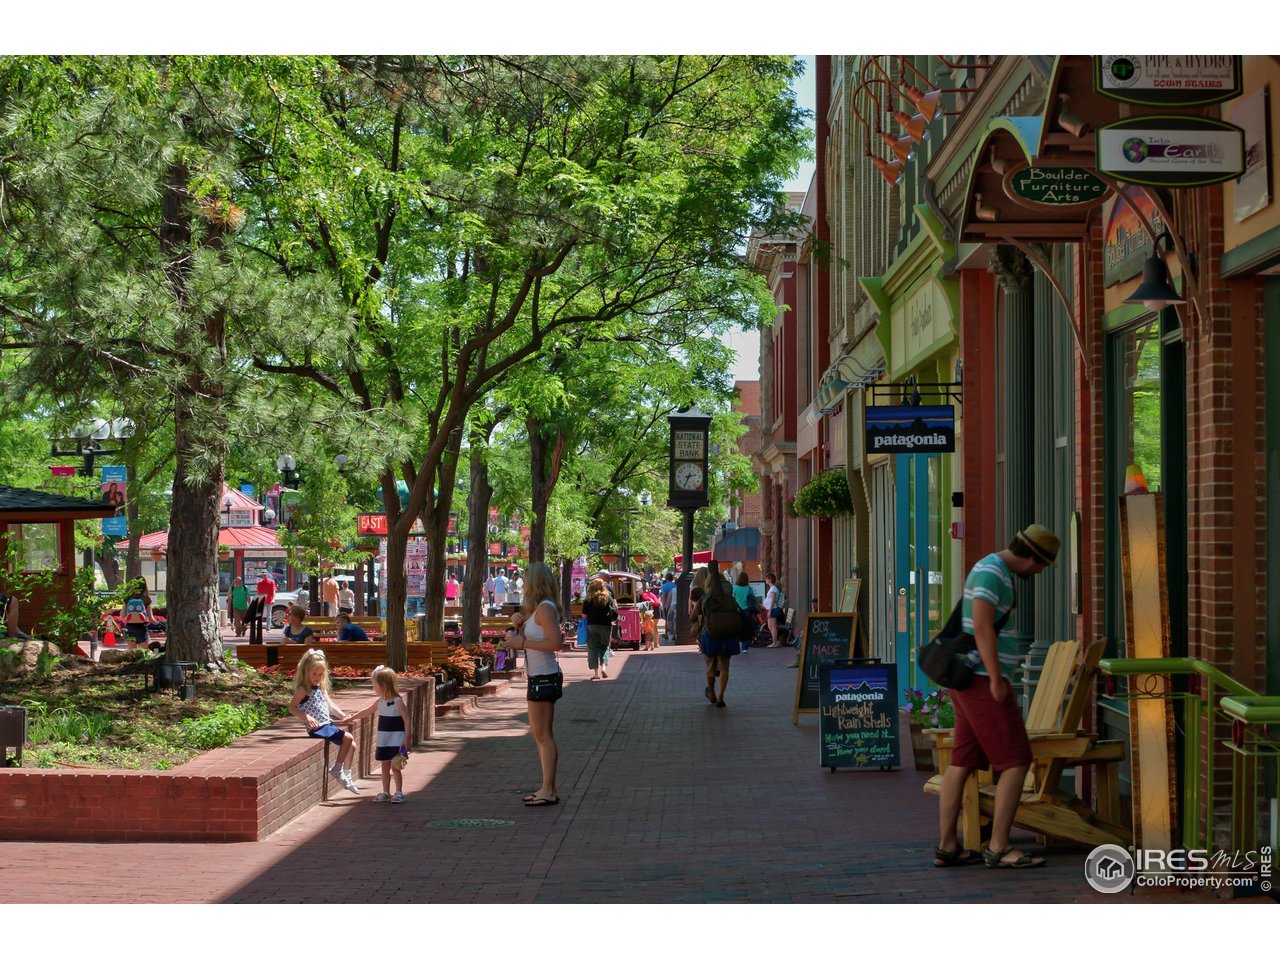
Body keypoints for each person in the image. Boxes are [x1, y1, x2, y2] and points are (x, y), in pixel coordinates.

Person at [934, 523, 1060, 870]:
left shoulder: (988, 567)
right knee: (1016, 761)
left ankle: (947, 847)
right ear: (1032, 557)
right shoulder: (993, 572)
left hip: (968, 681)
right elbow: (982, 625)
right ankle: (1000, 846)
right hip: (980, 681)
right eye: (1042, 565)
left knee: (961, 762)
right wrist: (995, 678)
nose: (1040, 572)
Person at [505, 562, 563, 807]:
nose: (523, 584)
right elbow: (534, 635)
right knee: (538, 734)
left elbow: (556, 643)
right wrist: (518, 622)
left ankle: (548, 789)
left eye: (527, 580)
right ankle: (545, 786)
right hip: (538, 675)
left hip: (545, 675)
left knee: (543, 734)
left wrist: (521, 644)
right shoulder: (538, 609)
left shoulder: (546, 609)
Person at [289, 648, 360, 793]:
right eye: (314, 673)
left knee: (352, 745)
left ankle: (346, 774)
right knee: (348, 737)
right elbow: (292, 707)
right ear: (306, 671)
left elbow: (331, 705)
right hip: (317, 727)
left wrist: (342, 716)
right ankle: (337, 768)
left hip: (327, 724)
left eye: (320, 674)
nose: (317, 677)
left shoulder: (320, 687)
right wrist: (306, 717)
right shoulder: (304, 689)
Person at [694, 561, 741, 708]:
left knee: (710, 666)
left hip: (711, 635)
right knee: (725, 667)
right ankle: (721, 696)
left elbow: (693, 617)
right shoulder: (730, 599)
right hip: (728, 634)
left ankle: (712, 694)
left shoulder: (705, 599)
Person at [371, 666, 410, 803]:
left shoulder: (397, 702)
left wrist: (406, 739)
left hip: (397, 740)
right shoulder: (380, 702)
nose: (373, 688)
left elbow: (407, 720)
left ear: (384, 685)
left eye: (375, 685)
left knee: (396, 767)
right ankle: (386, 792)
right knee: (384, 766)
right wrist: (351, 718)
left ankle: (399, 792)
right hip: (384, 740)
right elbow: (367, 710)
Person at [581, 576, 618, 681]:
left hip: (592, 625)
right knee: (604, 647)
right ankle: (604, 667)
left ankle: (596, 674)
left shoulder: (588, 598)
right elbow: (614, 610)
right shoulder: (608, 597)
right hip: (606, 625)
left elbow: (584, 614)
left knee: (592, 648)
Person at [732, 570, 759, 654]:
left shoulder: (735, 588)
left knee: (736, 629)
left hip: (736, 610)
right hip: (747, 610)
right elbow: (753, 598)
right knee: (746, 628)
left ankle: (736, 646)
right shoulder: (749, 588)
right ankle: (745, 648)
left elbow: (731, 598)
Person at [122, 584, 153, 650]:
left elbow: (122, 615)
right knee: (144, 653)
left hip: (130, 628)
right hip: (142, 628)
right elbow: (151, 619)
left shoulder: (128, 598)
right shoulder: (146, 598)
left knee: (132, 653)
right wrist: (160, 623)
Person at [763, 574, 782, 647]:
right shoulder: (772, 588)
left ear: (770, 579)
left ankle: (775, 642)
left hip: (772, 609)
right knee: (769, 626)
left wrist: (770, 610)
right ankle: (775, 641)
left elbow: (773, 600)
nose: (765, 580)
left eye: (766, 579)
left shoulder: (773, 589)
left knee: (773, 626)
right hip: (770, 609)